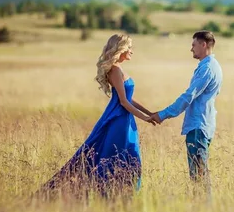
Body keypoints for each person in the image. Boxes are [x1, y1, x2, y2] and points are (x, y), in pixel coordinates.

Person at [36, 34, 153, 199]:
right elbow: (123, 102)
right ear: (120, 49)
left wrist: (150, 113)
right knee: (115, 157)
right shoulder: (115, 69)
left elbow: (129, 98)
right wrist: (146, 118)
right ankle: (105, 194)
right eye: (129, 47)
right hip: (118, 119)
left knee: (128, 157)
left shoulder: (119, 68)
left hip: (126, 119)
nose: (132, 51)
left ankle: (123, 195)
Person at [149, 30, 223, 195]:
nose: (191, 49)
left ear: (203, 44)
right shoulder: (210, 65)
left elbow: (189, 96)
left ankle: (203, 210)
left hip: (198, 126)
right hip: (203, 124)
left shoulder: (208, 68)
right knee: (199, 173)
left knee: (198, 175)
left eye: (193, 45)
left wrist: (162, 115)